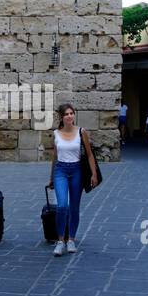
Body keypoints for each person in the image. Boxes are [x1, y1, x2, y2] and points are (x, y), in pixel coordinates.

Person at [50, 103, 99, 256]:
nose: (70, 116)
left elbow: (90, 155)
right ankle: (59, 241)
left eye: (72, 113)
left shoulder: (81, 132)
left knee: (74, 207)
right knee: (62, 205)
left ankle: (71, 239)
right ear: (61, 117)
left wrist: (94, 174)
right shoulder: (56, 133)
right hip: (61, 171)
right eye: (66, 114)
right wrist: (51, 177)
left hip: (77, 170)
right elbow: (55, 156)